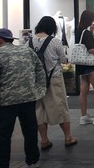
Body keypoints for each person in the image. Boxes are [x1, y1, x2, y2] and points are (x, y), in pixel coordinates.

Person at [0, 28, 46, 168]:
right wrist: (39, 90)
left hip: (7, 101)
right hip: (28, 98)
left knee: (3, 135)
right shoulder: (27, 51)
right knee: (30, 131)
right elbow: (40, 69)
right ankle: (33, 162)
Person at [30, 16, 77, 150]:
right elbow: (63, 59)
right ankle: (68, 137)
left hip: (37, 80)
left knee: (39, 110)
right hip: (54, 78)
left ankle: (44, 140)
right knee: (60, 106)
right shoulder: (55, 41)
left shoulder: (29, 42)